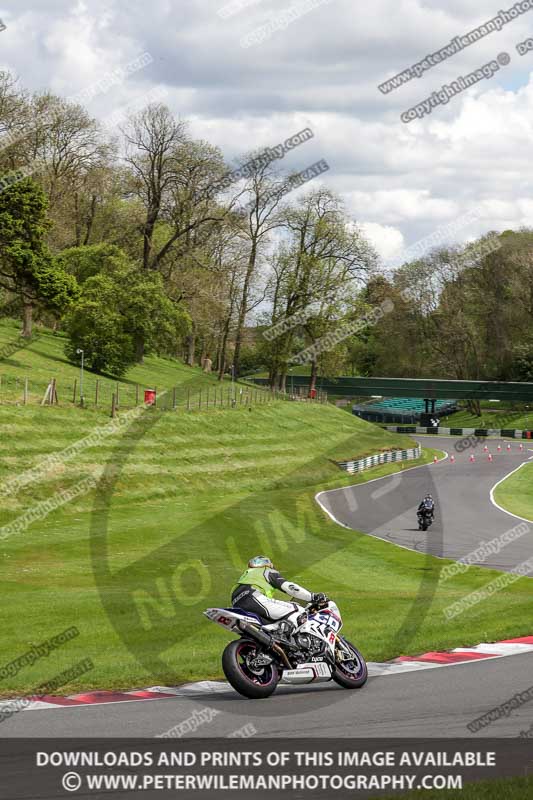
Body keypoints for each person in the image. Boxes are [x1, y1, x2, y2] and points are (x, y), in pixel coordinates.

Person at [231, 556, 328, 630]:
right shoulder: (266, 571)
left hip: (236, 604)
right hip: (253, 597)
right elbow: (290, 587)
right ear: (267, 564)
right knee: (297, 610)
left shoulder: (245, 576)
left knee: (269, 626)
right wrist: (312, 597)